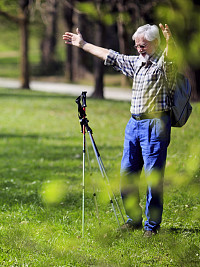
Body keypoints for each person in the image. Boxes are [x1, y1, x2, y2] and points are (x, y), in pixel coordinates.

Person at [63, 24, 177, 236]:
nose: (138, 48)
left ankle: (152, 227)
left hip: (155, 125)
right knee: (127, 174)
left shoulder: (162, 65)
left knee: (153, 178)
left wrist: (171, 44)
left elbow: (170, 59)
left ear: (154, 43)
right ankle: (133, 219)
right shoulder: (137, 63)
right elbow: (110, 55)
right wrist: (83, 44)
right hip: (133, 125)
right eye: (136, 45)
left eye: (142, 45)